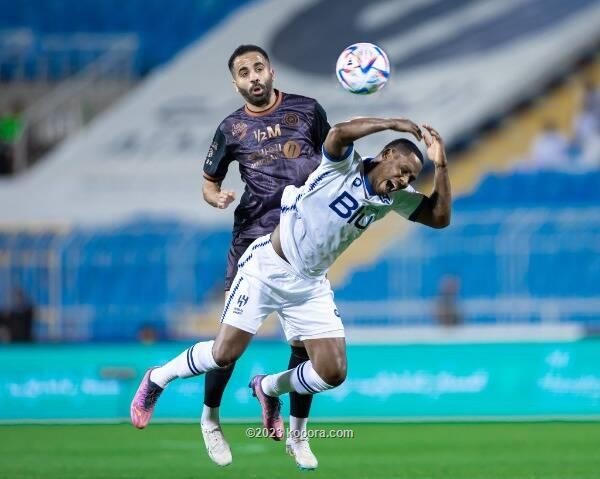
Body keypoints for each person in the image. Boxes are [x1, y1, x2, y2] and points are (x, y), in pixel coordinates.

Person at [130, 115, 451, 466]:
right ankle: (158, 377)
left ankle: (267, 388)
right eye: (402, 169)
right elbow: (339, 132)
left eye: (410, 177)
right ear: (387, 154)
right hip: (268, 269)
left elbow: (440, 218)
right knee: (223, 355)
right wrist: (394, 123)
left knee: (333, 373)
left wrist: (442, 165)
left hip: (310, 285)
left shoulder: (397, 198)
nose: (403, 180)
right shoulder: (343, 166)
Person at [132, 45, 331, 469]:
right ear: (235, 82)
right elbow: (208, 180)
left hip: (304, 243)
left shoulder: (309, 111)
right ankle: (210, 420)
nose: (254, 76)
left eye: (259, 67)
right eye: (244, 72)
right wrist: (215, 196)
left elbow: (332, 163)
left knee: (301, 344)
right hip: (254, 245)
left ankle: (296, 435)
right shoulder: (231, 128)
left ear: (272, 70)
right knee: (228, 349)